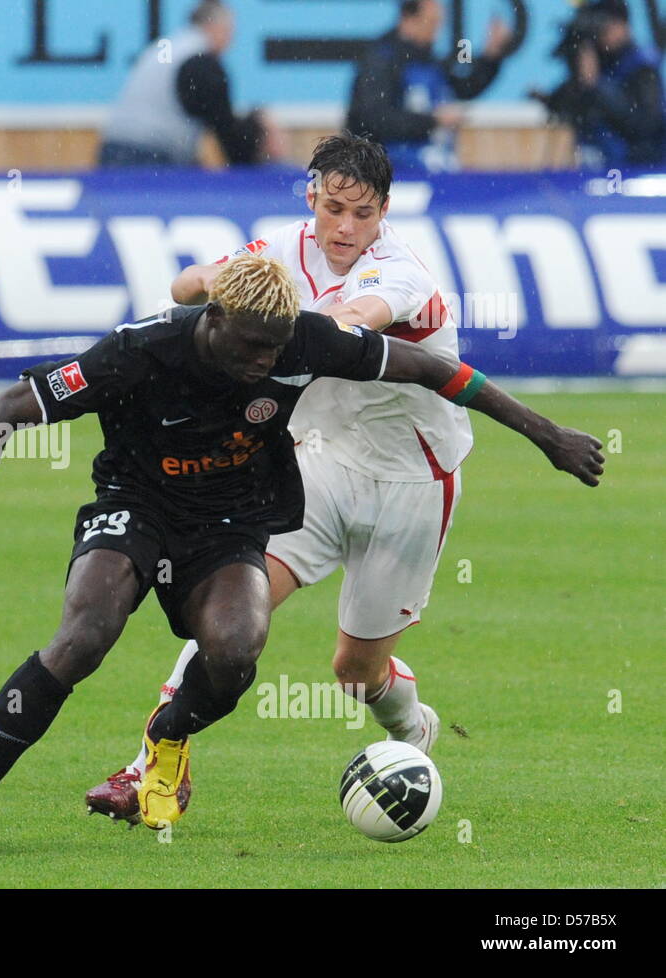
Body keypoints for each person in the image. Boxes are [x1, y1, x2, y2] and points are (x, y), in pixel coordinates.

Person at [0, 252, 603, 856]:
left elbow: (431, 368)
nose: (265, 363)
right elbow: (2, 413)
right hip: (136, 504)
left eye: (274, 350)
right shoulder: (139, 349)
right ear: (211, 319)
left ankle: (170, 736)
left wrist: (547, 436)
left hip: (231, 519)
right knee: (83, 637)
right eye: (250, 348)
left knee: (237, 651)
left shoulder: (305, 339)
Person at [83, 132, 521, 822]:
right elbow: (185, 285)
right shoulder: (279, 250)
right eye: (335, 207)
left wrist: (259, 318)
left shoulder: (400, 271)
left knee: (355, 673)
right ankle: (150, 770)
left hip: (413, 481)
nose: (346, 227)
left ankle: (412, 732)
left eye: (364, 213)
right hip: (317, 465)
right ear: (312, 194)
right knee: (227, 605)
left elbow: (351, 321)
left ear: (384, 213)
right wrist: (205, 283)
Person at [98, 0, 282, 167]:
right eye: (230, 31)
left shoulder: (168, 48)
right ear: (215, 26)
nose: (231, 42)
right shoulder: (201, 62)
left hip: (115, 150)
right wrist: (259, 139)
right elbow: (225, 129)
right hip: (150, 156)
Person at [346, 0, 513, 172]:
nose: (437, 31)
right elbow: (375, 118)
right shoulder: (382, 59)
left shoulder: (428, 59)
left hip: (430, 166)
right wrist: (432, 120)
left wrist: (491, 56)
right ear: (409, 20)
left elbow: (463, 87)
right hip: (389, 172)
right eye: (432, 22)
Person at [532, 0, 666, 169]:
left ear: (624, 25)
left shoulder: (642, 67)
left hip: (640, 168)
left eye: (607, 24)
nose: (603, 33)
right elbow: (567, 108)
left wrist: (596, 85)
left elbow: (645, 125)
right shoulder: (599, 63)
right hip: (598, 169)